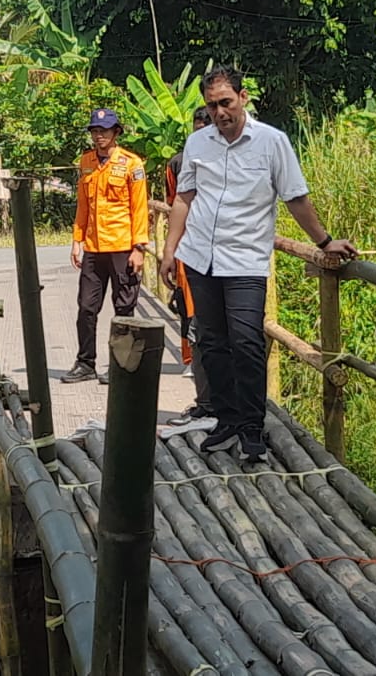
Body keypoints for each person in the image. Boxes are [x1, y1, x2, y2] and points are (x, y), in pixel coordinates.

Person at [163, 67, 358, 463]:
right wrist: (170, 251)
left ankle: (253, 428)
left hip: (244, 261)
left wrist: (324, 242)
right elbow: (183, 198)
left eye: (226, 103)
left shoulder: (272, 143)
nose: (219, 112)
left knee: (248, 343)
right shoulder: (198, 143)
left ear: (243, 97)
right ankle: (227, 420)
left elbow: (295, 198)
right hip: (200, 257)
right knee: (212, 342)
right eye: (212, 105)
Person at [61, 108, 149, 383]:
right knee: (87, 307)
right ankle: (85, 363)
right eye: (95, 131)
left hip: (123, 246)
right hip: (94, 248)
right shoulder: (86, 162)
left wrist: (139, 248)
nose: (99, 136)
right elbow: (83, 205)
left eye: (104, 131)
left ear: (116, 133)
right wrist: (77, 240)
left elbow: (140, 208)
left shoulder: (132, 164)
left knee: (124, 309)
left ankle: (121, 366)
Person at [165, 105, 215, 429]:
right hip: (192, 259)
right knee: (196, 328)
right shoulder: (178, 164)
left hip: (226, 261)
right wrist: (169, 252)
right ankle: (207, 403)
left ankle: (216, 404)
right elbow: (176, 205)